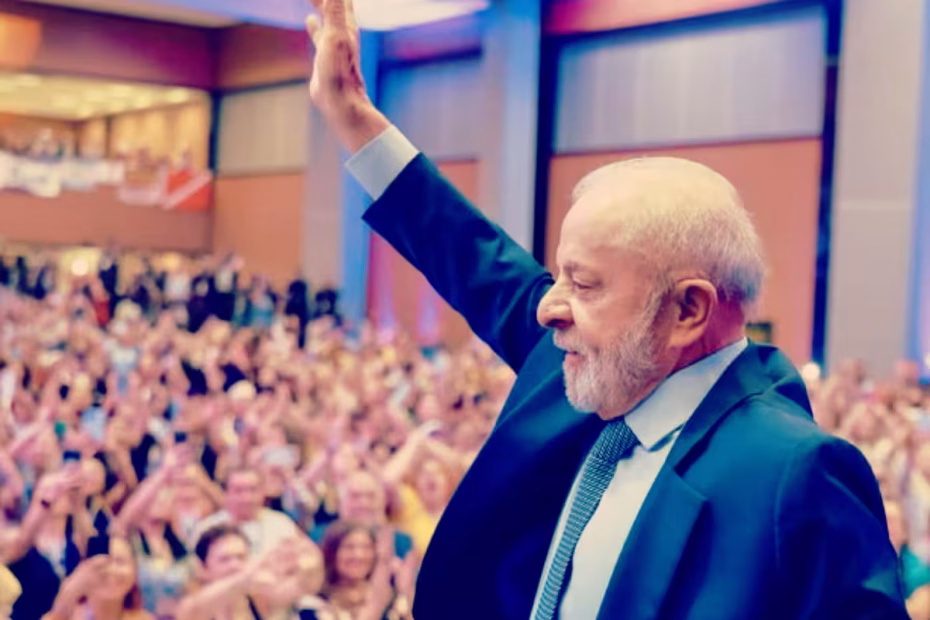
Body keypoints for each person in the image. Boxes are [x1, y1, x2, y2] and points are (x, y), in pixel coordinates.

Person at [304, 1, 908, 618]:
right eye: (559, 274)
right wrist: (353, 117)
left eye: (584, 284)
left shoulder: (793, 476)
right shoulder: (590, 365)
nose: (549, 306)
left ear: (688, 310)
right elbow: (470, 253)